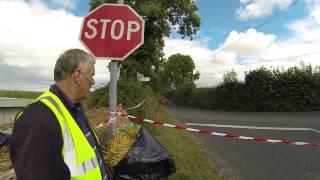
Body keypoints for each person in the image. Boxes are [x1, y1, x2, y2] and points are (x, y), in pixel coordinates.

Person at [10, 49, 111, 180]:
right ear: (77, 75)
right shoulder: (39, 119)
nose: (93, 82)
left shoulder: (74, 110)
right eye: (91, 75)